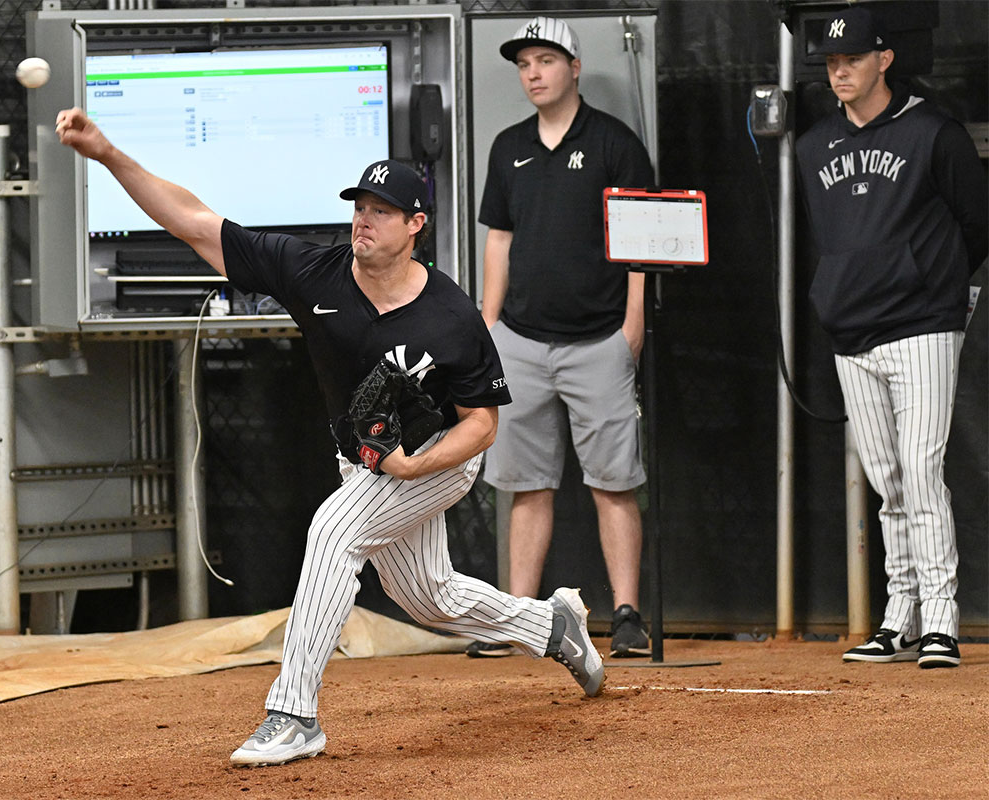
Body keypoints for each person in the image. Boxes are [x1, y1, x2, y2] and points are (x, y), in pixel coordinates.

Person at [54, 107, 607, 766]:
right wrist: (109, 152)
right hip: (366, 458)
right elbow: (193, 220)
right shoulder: (313, 271)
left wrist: (409, 469)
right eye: (359, 205)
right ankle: (551, 623)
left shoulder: (452, 315)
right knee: (429, 598)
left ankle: (293, 714)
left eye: (382, 209)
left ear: (415, 226)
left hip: (434, 457)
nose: (363, 219)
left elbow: (483, 424)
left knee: (333, 532)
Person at [797, 6, 987, 668]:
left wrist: (938, 286)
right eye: (830, 62)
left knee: (922, 469)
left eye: (852, 58)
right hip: (853, 330)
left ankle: (940, 620)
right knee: (886, 481)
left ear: (885, 59)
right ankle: (897, 618)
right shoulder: (813, 144)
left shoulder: (934, 132)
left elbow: (977, 222)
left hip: (923, 325)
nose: (840, 70)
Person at [470, 16, 655, 659]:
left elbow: (643, 239)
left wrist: (632, 324)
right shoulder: (507, 146)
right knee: (525, 484)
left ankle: (627, 615)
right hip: (519, 341)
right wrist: (489, 327)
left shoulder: (614, 143)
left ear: (574, 68)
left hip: (599, 337)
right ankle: (518, 617)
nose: (533, 74)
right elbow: (499, 239)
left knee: (613, 481)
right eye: (524, 65)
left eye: (545, 61)